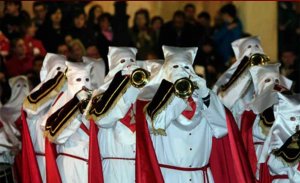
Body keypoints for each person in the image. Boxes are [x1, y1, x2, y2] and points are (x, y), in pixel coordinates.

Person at [135, 45, 254, 183]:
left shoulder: (204, 99)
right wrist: (177, 95)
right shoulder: (153, 100)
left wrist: (205, 95)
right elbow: (155, 124)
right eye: (175, 67)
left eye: (186, 67)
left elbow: (222, 129)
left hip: (200, 176)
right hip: (170, 177)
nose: (181, 72)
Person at [44, 61, 95, 183]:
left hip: (92, 168)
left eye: (87, 80)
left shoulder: (94, 104)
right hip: (70, 167)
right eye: (78, 80)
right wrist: (76, 112)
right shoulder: (61, 105)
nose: (83, 85)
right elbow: (57, 137)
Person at [22, 53, 67, 182]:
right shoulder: (36, 94)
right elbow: (31, 109)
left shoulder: (67, 95)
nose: (62, 75)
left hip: (61, 159)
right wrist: (56, 84)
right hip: (41, 160)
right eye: (57, 70)